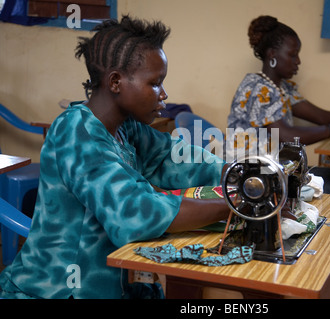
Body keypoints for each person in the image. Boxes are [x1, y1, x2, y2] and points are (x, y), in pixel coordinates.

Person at [0, 16, 231, 299]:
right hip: (58, 292)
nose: (164, 94)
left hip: (108, 286)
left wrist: (233, 173)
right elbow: (133, 213)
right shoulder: (76, 132)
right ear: (115, 82)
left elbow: (171, 158)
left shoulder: (125, 127)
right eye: (155, 83)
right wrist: (232, 206)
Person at [227, 16, 330, 193]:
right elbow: (286, 136)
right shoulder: (258, 88)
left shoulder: (282, 88)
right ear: (272, 54)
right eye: (292, 54)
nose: (298, 61)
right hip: (249, 176)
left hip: (271, 169)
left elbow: (321, 116)